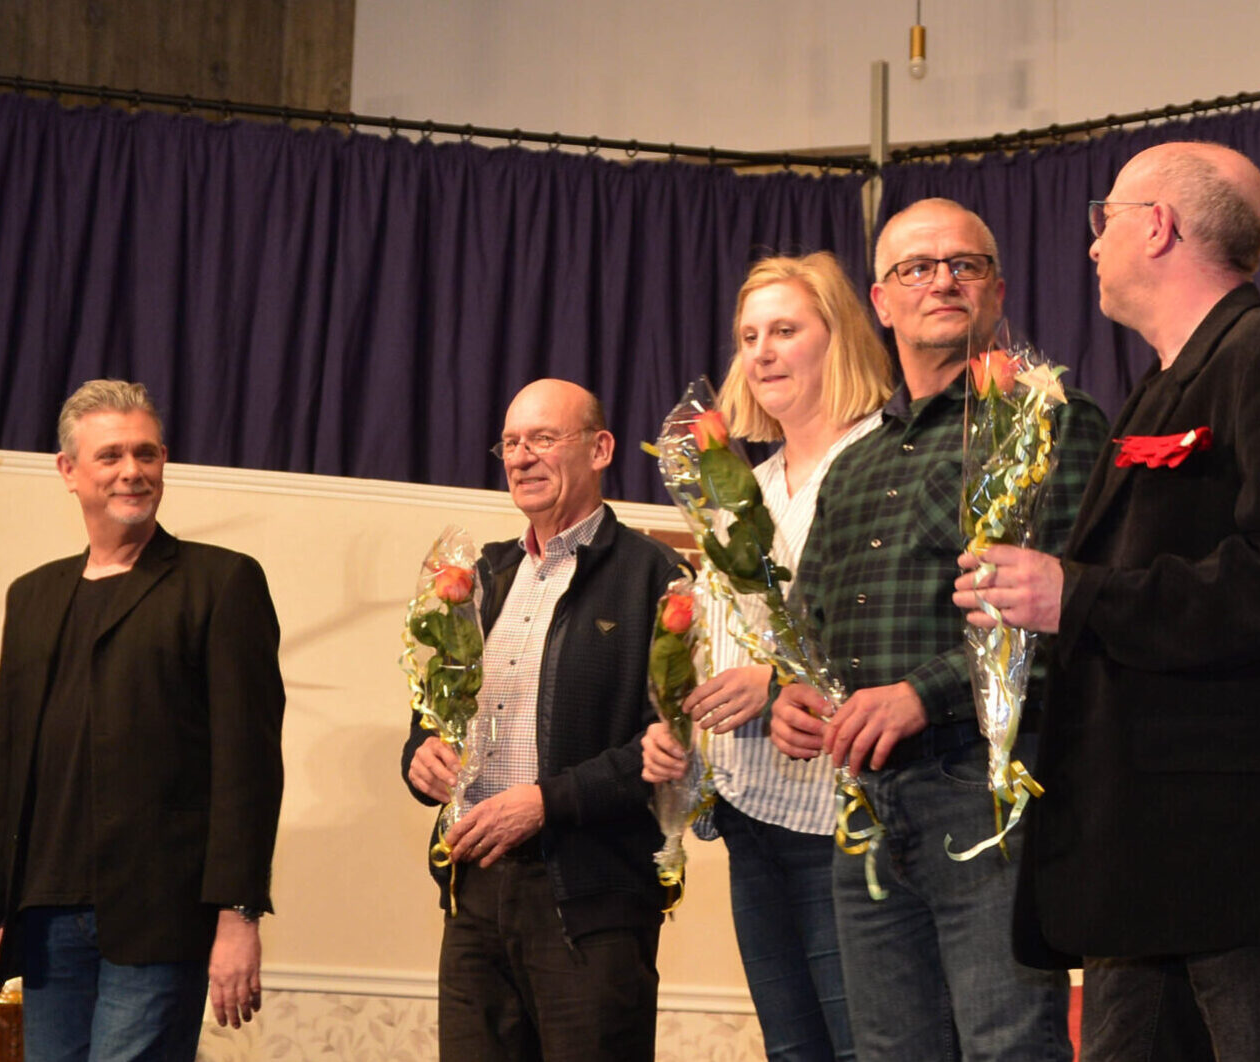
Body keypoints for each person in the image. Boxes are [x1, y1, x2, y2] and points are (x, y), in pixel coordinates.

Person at [954, 142, 1260, 1061]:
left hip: (1242, 848)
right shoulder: (1155, 389)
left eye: (1105, 218)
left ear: (1157, 226)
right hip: (1143, 850)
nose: (1091, 245)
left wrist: (1072, 593)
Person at [768, 199, 1108, 1061]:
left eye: (965, 264)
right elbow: (811, 626)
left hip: (986, 792)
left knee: (1009, 1047)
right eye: (917, 268)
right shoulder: (855, 462)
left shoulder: (1052, 422)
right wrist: (793, 697)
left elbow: (1070, 614)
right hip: (863, 805)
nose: (943, 281)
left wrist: (922, 695)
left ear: (997, 289)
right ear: (880, 302)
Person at [0, 379, 286, 1062]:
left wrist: (239, 913)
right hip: (45, 919)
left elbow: (247, 766)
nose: (131, 472)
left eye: (146, 453)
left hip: (161, 918)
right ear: (68, 471)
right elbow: (8, 772)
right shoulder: (34, 596)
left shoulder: (221, 583)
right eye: (110, 456)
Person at [639, 251, 892, 1061]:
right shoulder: (744, 482)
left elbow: (888, 623)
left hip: (850, 811)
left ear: (840, 340)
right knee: (795, 1051)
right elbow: (722, 637)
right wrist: (677, 723)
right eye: (750, 336)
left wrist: (779, 678)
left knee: (862, 1046)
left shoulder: (881, 460)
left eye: (785, 330)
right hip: (753, 812)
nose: (763, 352)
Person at [402, 378, 682, 1061]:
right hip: (475, 892)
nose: (522, 457)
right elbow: (433, 706)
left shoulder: (656, 575)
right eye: (511, 442)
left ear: (600, 448)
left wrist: (544, 802)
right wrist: (421, 751)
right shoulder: (477, 577)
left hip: (591, 903)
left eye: (543, 439)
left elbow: (669, 750)